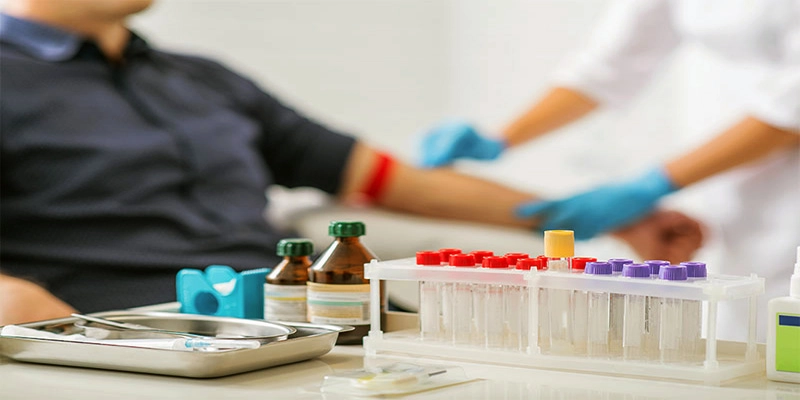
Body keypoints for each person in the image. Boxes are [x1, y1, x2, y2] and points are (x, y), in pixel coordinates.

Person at [0, 0, 704, 325]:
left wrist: (605, 217)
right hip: (120, 335)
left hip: (295, 326)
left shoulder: (204, 78)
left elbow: (399, 183)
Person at [420, 0, 799, 340]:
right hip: (724, 184)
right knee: (742, 332)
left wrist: (652, 185)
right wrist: (502, 139)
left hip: (785, 181)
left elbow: (790, 103)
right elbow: (608, 65)